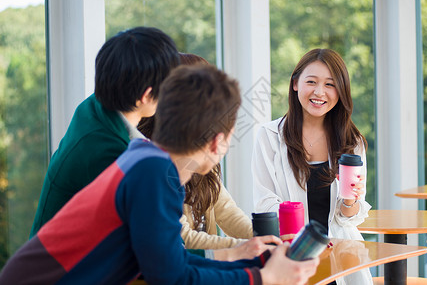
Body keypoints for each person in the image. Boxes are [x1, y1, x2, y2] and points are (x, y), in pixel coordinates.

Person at [0, 65, 320, 285]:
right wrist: (264, 278)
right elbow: (171, 278)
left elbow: (171, 262)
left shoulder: (146, 159)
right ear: (217, 141)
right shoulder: (154, 174)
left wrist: (251, 266)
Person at [29, 27, 180, 237]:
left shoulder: (95, 107)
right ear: (145, 96)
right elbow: (150, 243)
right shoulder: (108, 154)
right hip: (68, 267)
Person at [252, 49, 372, 284]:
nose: (319, 92)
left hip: (341, 254)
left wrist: (351, 201)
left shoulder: (352, 141)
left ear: (341, 91)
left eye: (330, 84)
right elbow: (265, 202)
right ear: (295, 83)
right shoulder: (269, 136)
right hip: (291, 254)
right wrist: (308, 242)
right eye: (311, 82)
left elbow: (348, 218)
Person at [138, 52, 253, 250]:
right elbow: (182, 241)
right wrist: (249, 249)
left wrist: (267, 238)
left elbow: (226, 211)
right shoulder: (154, 169)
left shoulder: (197, 154)